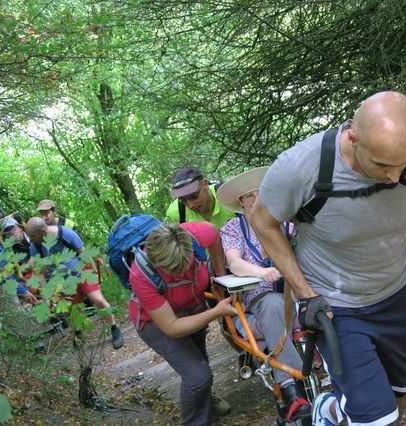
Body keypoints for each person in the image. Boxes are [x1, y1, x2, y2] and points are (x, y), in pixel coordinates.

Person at [250, 92, 406, 426]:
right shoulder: (301, 167)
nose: (395, 178)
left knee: (399, 394)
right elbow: (262, 221)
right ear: (353, 138)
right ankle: (336, 411)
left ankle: (332, 411)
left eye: (402, 165)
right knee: (377, 418)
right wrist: (305, 293)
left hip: (394, 292)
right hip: (335, 305)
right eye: (383, 166)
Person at [217, 167, 311, 420]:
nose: (256, 199)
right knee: (271, 305)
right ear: (241, 202)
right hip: (261, 293)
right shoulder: (234, 228)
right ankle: (291, 388)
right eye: (249, 196)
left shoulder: (286, 221)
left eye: (261, 193)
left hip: (297, 287)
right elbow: (234, 262)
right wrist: (261, 272)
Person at [129, 222, 235, 425]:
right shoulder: (141, 274)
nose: (184, 272)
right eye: (175, 269)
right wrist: (216, 312)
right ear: (157, 261)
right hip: (156, 323)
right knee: (198, 376)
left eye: (187, 263)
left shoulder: (196, 235)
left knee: (200, 362)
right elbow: (172, 327)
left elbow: (214, 235)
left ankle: (207, 403)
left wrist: (222, 278)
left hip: (194, 308)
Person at [25, 217, 124, 349]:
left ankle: (114, 328)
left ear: (43, 231)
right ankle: (79, 334)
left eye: (32, 236)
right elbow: (39, 273)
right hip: (63, 282)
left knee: (98, 300)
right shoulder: (35, 246)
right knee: (73, 311)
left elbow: (83, 253)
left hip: (82, 272)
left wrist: (94, 271)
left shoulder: (65, 233)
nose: (30, 239)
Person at [164, 166, 235, 229]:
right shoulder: (176, 213)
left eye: (194, 196)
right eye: (183, 200)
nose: (191, 205)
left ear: (205, 184)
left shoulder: (229, 195)